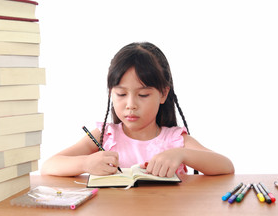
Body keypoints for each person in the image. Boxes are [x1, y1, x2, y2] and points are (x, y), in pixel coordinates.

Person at [41, 42, 234, 177]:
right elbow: (49, 166)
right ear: (110, 93)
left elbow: (226, 166)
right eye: (121, 94)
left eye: (143, 95)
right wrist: (85, 164)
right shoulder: (105, 135)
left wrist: (181, 154)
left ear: (163, 94)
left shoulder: (175, 140)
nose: (131, 104)